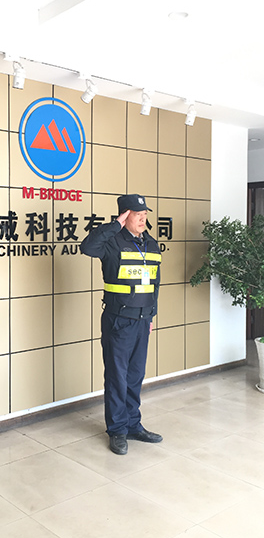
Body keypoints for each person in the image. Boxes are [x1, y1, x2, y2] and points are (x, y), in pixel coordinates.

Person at [80, 194, 163, 455]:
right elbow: (87, 247)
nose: (142, 219)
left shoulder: (151, 244)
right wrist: (115, 225)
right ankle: (117, 430)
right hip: (119, 320)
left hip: (142, 320)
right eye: (137, 214)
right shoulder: (112, 242)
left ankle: (133, 425)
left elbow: (154, 284)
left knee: (135, 375)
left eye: (145, 214)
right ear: (124, 216)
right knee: (117, 376)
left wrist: (151, 316)